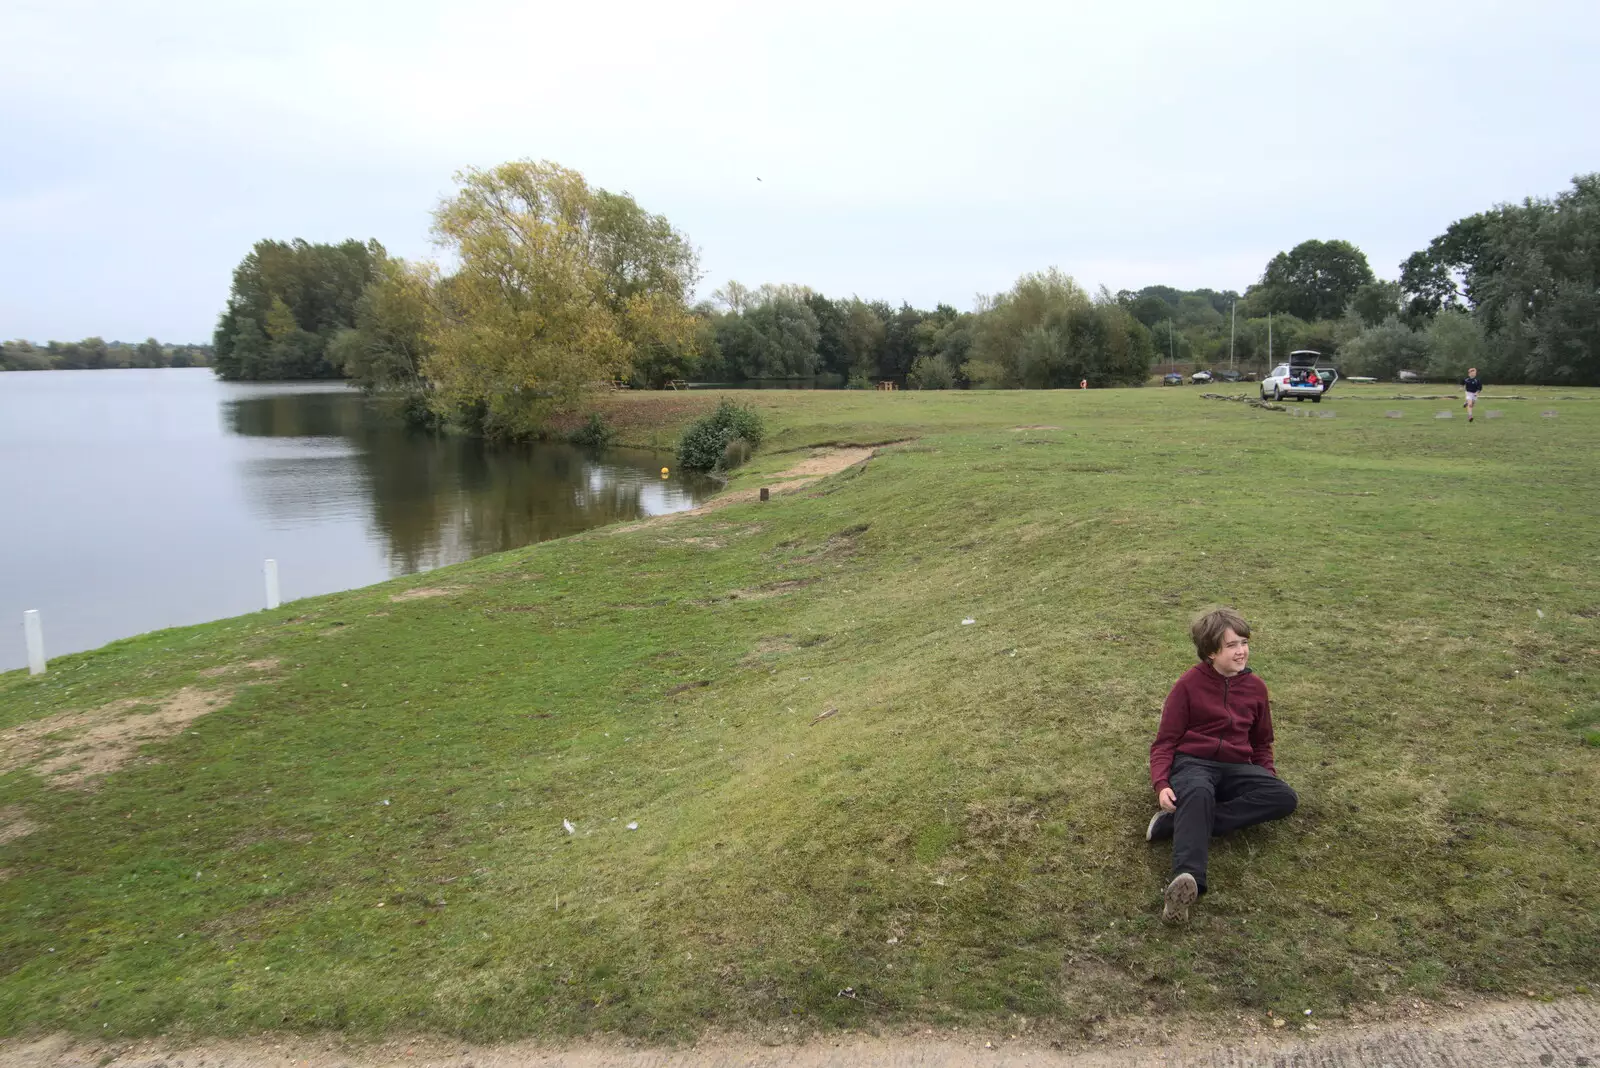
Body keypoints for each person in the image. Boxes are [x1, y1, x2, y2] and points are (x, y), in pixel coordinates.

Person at [1145, 608, 1298, 922]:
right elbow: (1164, 742)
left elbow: (1261, 743)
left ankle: (1177, 824)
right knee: (1199, 793)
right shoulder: (1187, 685)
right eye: (1232, 645)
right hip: (1194, 764)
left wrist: (1264, 777)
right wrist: (1162, 784)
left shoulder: (1256, 688)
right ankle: (1187, 882)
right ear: (1211, 652)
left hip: (1237, 766)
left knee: (1284, 797)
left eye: (1243, 642)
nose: (1241, 650)